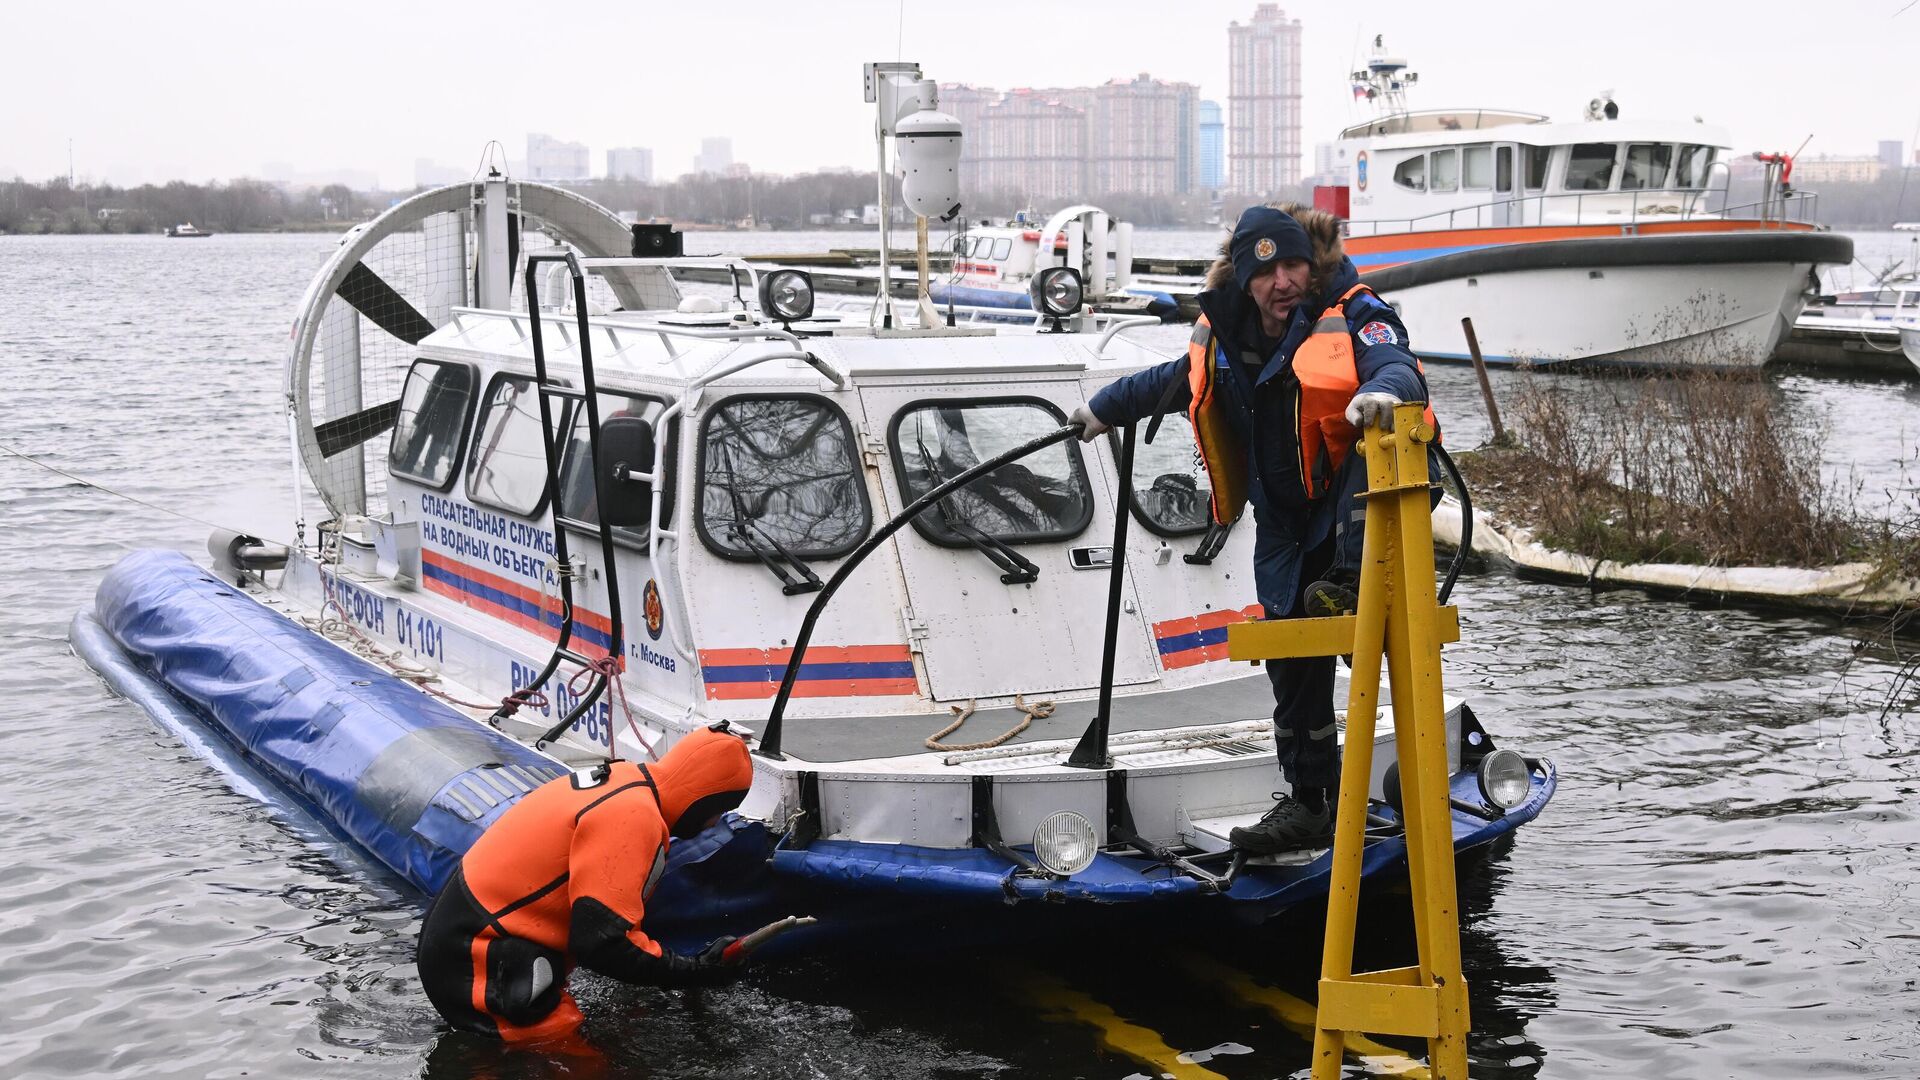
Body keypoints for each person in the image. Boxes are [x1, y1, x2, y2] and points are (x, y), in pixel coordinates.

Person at [1070, 204, 1433, 855]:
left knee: (1367, 634)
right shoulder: (1226, 335)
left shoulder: (1352, 311)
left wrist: (1384, 395)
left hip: (1351, 511)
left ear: (1310, 266)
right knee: (1293, 670)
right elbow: (1176, 381)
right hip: (1283, 531)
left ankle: (1354, 592)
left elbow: (1395, 360)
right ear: (1244, 281)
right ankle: (1309, 802)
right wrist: (1101, 409)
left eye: (1293, 264)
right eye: (1266, 272)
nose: (1282, 281)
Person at [417, 724, 757, 1043]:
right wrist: (695, 971)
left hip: (469, 937)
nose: (716, 823)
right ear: (702, 799)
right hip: (482, 951)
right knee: (567, 1056)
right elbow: (601, 944)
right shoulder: (632, 817)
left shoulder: (625, 779)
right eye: (720, 809)